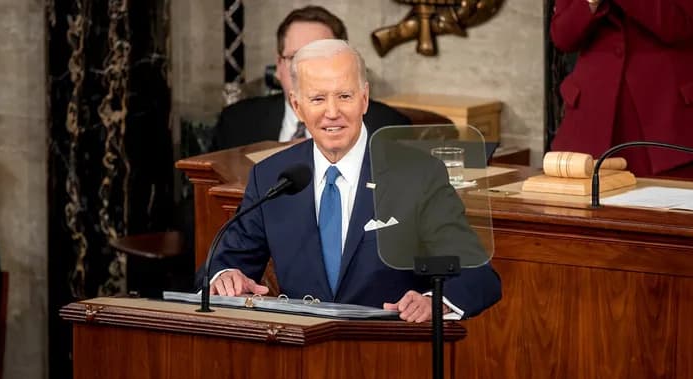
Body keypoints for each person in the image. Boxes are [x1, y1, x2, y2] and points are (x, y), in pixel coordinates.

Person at [207, 39, 501, 322]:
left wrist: (433, 301)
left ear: (364, 98)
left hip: (388, 353)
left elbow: (478, 274)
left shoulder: (418, 174)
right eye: (318, 99)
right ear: (297, 106)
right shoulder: (272, 175)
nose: (332, 112)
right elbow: (222, 265)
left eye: (344, 96)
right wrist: (225, 276)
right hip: (299, 357)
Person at [550, 0, 693, 177]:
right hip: (594, 120)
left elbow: (677, 23)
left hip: (671, 120)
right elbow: (563, 37)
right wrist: (590, 3)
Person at [210, 5, 409, 151]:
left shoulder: (388, 128)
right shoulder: (236, 123)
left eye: (320, 58)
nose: (308, 72)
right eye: (295, 58)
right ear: (279, 66)